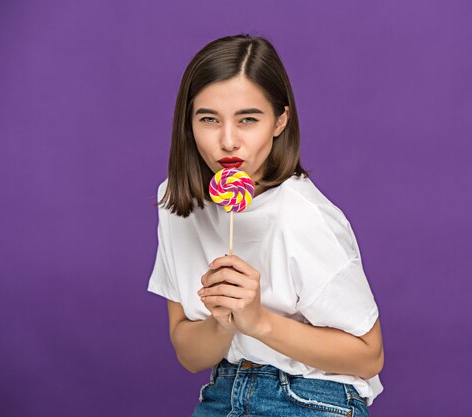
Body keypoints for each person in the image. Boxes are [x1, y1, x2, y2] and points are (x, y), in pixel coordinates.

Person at [147, 33, 384, 417]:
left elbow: (369, 356)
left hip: (313, 397)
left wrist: (258, 321)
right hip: (222, 392)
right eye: (208, 119)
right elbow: (190, 356)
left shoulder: (305, 217)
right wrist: (221, 323)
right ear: (188, 124)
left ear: (280, 121)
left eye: (248, 120)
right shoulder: (176, 205)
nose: (228, 141)